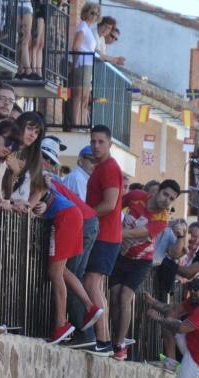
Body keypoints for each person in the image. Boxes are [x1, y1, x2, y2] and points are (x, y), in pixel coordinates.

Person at [22, 138, 103, 344]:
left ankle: (61, 324)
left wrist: (21, 207)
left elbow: (28, 206)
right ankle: (89, 307)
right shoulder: (43, 177)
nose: (48, 164)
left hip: (67, 219)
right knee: (63, 270)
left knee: (55, 272)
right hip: (72, 218)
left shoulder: (39, 177)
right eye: (46, 159)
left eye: (50, 160)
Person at [108, 179, 180, 360]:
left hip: (141, 262)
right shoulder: (136, 196)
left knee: (125, 297)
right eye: (165, 194)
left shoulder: (162, 220)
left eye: (171, 199)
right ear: (157, 192)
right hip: (120, 254)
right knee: (115, 297)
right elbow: (116, 205)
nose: (166, 200)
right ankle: (115, 339)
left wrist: (113, 232)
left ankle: (120, 342)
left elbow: (136, 233)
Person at [83, 124, 124, 356]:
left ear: (109, 144)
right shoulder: (102, 167)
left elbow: (109, 204)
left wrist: (84, 214)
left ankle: (103, 340)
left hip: (105, 235)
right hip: (105, 234)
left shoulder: (109, 168)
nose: (96, 145)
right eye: (93, 141)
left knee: (91, 283)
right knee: (94, 285)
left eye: (100, 142)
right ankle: (104, 340)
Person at [70, 1, 99, 127]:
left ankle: (82, 124)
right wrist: (75, 64)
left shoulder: (88, 29)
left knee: (85, 98)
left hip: (87, 65)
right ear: (86, 12)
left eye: (97, 14)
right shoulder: (82, 26)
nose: (94, 16)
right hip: (82, 64)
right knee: (79, 96)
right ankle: (76, 125)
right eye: (92, 13)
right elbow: (76, 46)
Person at [13, 0, 34, 80]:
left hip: (26, 4)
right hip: (16, 4)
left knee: (25, 38)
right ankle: (23, 70)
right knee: (21, 38)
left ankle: (24, 70)